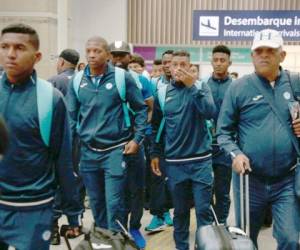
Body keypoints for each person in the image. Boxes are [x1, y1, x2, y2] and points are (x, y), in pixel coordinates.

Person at [0, 23, 81, 250]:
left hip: (34, 209)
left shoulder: (50, 99)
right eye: (4, 46)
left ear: (36, 56)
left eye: (19, 47)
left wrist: (73, 213)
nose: (10, 54)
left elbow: (63, 160)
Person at [217, 29, 300, 249]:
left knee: (291, 239)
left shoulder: (295, 83)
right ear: (252, 55)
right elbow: (223, 133)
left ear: (281, 56)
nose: (264, 55)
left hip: (287, 180)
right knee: (245, 240)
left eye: (270, 51)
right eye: (259, 51)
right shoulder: (238, 88)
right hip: (249, 181)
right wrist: (236, 154)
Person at [66, 37, 147, 234]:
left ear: (107, 55)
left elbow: (141, 110)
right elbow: (71, 117)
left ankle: (116, 240)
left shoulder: (122, 78)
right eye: (89, 51)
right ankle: (102, 240)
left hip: (115, 151)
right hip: (88, 152)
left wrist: (137, 140)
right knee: (96, 202)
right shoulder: (77, 80)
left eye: (97, 51)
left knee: (114, 203)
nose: (92, 55)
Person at [151, 50, 216, 250]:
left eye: (183, 64)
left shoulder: (200, 87)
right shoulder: (161, 93)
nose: (178, 68)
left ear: (190, 67)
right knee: (180, 212)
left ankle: (204, 246)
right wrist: (155, 153)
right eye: (175, 64)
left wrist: (192, 87)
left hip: (201, 161)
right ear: (169, 67)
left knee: (203, 211)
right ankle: (181, 247)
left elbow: (210, 112)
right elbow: (156, 126)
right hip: (175, 163)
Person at [109, 40, 152, 248]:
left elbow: (149, 109)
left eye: (122, 55)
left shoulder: (141, 80)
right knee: (115, 191)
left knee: (136, 188)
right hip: (110, 146)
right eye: (114, 55)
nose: (118, 59)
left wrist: (138, 137)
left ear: (130, 57)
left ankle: (134, 226)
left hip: (135, 143)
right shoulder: (103, 77)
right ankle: (116, 230)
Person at [48, 48, 84, 245]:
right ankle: (75, 222)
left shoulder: (53, 82)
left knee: (56, 182)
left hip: (60, 140)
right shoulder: (82, 81)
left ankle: (53, 227)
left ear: (61, 62)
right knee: (76, 181)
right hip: (81, 141)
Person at [145, 50, 174, 233]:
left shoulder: (188, 84)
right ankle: (158, 214)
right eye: (164, 62)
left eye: (170, 62)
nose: (166, 65)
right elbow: (151, 111)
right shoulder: (154, 84)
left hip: (179, 141)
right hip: (158, 138)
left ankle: (169, 211)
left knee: (173, 179)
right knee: (156, 176)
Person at [205, 45, 233, 225]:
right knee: (205, 190)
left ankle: (221, 224)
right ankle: (207, 225)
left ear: (229, 63)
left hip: (225, 147)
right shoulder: (203, 85)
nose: (218, 64)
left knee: (222, 191)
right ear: (211, 61)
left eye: (222, 60)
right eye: (215, 60)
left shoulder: (236, 87)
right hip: (204, 147)